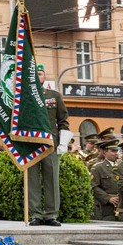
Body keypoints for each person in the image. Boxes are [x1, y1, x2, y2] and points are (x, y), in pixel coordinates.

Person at [29, 65, 71, 226]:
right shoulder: (24, 97)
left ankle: (51, 214)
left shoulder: (54, 96)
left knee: (51, 177)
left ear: (44, 77)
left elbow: (63, 121)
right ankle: (36, 214)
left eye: (40, 74)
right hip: (31, 143)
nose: (37, 76)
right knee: (32, 179)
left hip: (50, 143)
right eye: (34, 74)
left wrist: (63, 143)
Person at [90, 138, 121, 221]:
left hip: (121, 207)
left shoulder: (121, 166)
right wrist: (108, 198)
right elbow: (93, 187)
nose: (116, 153)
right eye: (113, 151)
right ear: (104, 152)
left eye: (116, 151)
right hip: (106, 208)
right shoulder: (98, 167)